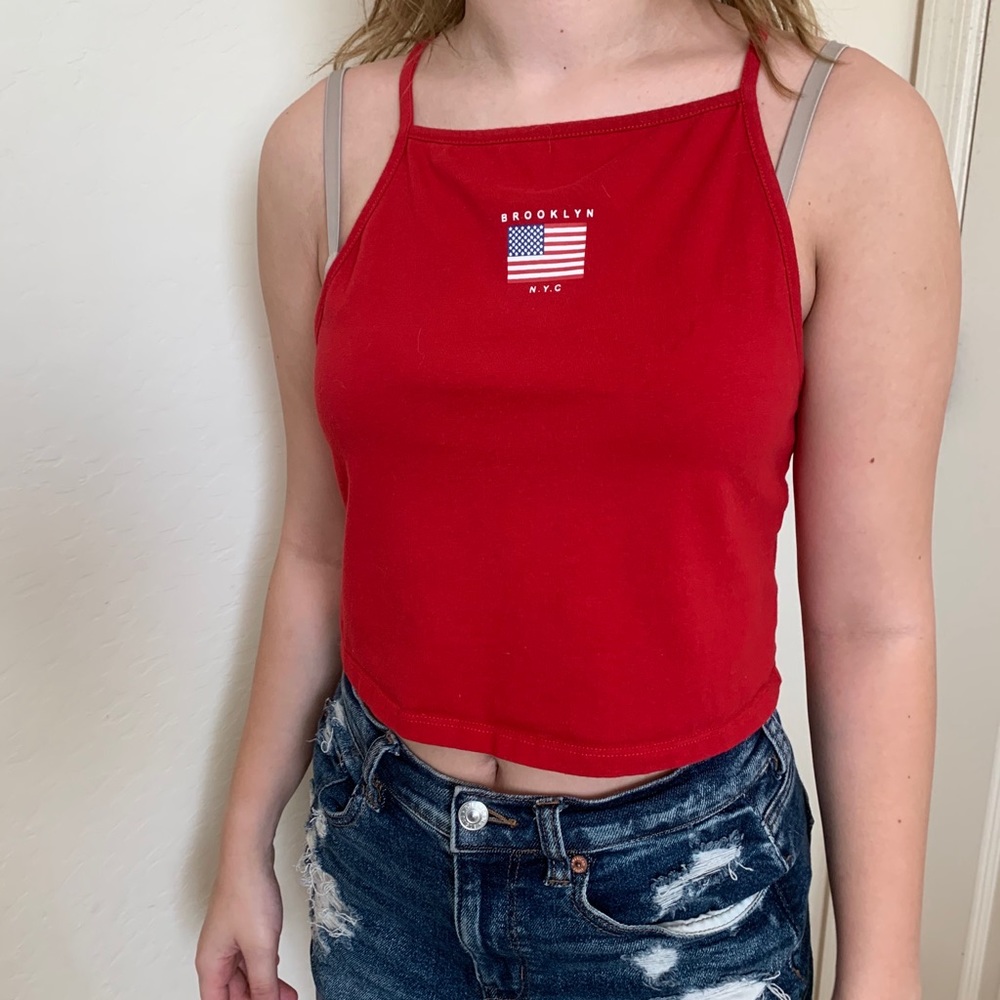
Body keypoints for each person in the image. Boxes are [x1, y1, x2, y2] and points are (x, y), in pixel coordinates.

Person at [195, 1, 960, 998]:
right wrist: (242, 843)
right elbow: (318, 546)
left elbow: (873, 617)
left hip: (685, 892)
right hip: (382, 863)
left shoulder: (840, 129)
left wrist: (883, 967)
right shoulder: (325, 143)